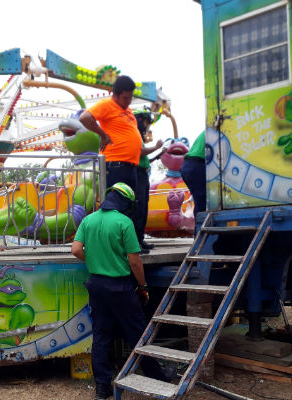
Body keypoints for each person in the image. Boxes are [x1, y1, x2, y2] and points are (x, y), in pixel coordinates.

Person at [71, 182, 168, 400]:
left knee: (101, 337)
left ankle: (102, 388)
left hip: (96, 285)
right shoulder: (124, 222)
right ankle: (157, 377)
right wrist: (142, 286)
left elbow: (76, 249)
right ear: (125, 202)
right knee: (137, 332)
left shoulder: (89, 219)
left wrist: (94, 260)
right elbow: (135, 262)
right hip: (120, 287)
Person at [79, 76, 142, 193]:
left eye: (130, 98)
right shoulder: (106, 104)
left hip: (131, 167)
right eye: (125, 98)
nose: (128, 101)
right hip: (115, 166)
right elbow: (84, 117)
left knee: (129, 207)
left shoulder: (128, 111)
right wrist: (103, 135)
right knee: (114, 205)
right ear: (116, 95)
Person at [133, 109, 163, 253]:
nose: (147, 126)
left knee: (144, 208)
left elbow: (145, 159)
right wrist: (156, 147)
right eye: (146, 122)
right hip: (137, 174)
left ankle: (140, 238)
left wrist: (159, 154)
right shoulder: (134, 134)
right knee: (138, 208)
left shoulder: (140, 136)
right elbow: (140, 152)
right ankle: (135, 242)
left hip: (143, 174)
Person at [180, 130, 206, 235]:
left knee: (200, 201)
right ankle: (200, 236)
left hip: (188, 165)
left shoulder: (208, 130)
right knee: (203, 203)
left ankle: (199, 235)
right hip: (197, 164)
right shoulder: (219, 129)